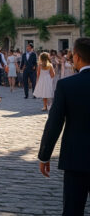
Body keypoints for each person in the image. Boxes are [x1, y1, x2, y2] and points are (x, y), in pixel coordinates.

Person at [38, 37, 90, 215]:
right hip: (76, 159)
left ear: (76, 57)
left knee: (73, 210)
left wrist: (44, 156)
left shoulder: (67, 85)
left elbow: (54, 123)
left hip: (76, 158)